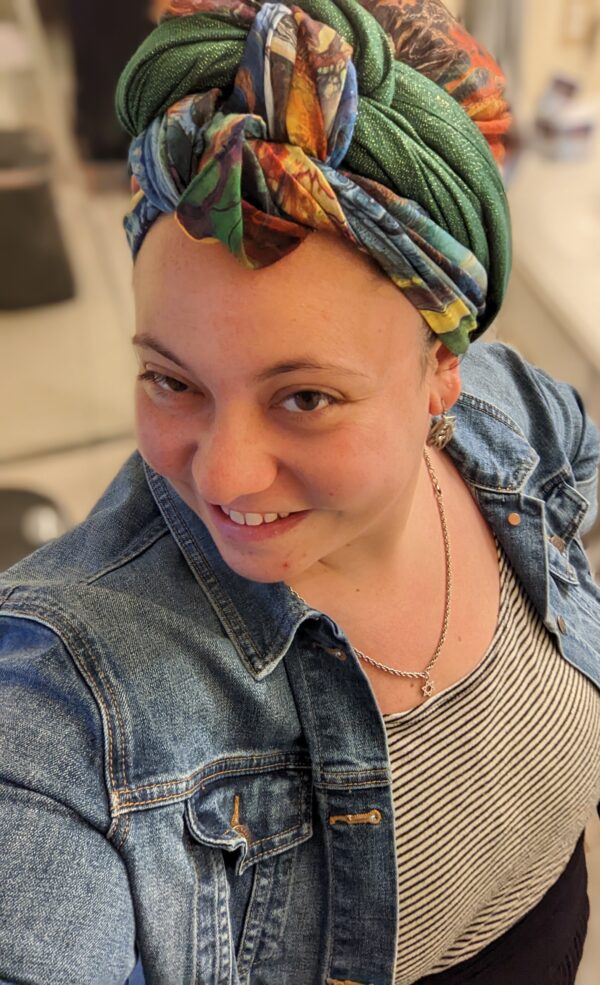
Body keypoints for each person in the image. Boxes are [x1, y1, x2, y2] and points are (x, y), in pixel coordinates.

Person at [1, 1, 599, 983]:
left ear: (442, 369)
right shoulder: (70, 717)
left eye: (306, 396)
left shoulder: (505, 415)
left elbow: (572, 449)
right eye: (172, 379)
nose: (222, 475)